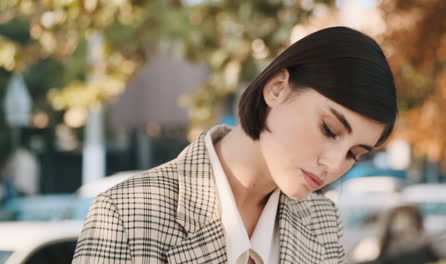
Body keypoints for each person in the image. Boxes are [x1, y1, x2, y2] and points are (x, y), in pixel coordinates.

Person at [72, 26, 398, 264]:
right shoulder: (128, 213)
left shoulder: (322, 221)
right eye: (329, 130)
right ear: (277, 88)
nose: (334, 164)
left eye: (354, 154)